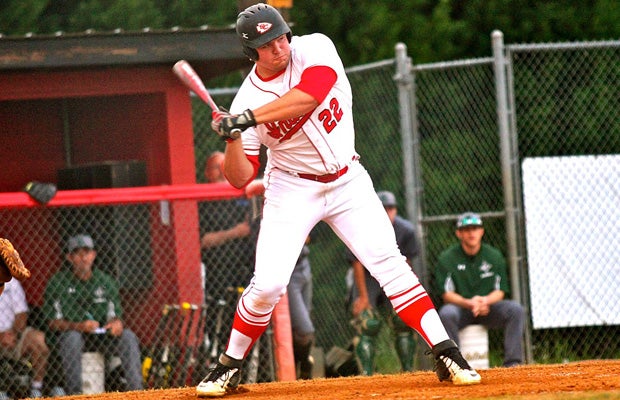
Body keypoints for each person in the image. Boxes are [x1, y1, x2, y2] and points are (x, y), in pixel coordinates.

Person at [196, 3, 481, 397]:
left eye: (280, 36)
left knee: (390, 263)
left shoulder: (315, 47)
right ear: (251, 52)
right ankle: (228, 366)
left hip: (347, 179)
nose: (278, 46)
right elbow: (239, 177)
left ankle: (447, 352)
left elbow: (309, 95)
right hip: (291, 188)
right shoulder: (249, 95)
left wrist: (246, 118)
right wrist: (231, 138)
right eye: (266, 43)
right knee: (267, 286)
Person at [41, 234, 144, 395]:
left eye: (87, 252)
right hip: (73, 338)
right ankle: (75, 394)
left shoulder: (105, 281)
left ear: (94, 255)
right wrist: (79, 326)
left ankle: (137, 392)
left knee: (128, 336)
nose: (83, 258)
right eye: (78, 253)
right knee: (72, 338)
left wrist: (116, 323)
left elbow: (114, 315)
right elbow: (53, 322)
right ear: (69, 257)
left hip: (102, 336)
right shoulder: (58, 282)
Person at [434, 212, 525, 367]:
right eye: (467, 229)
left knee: (516, 310)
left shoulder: (494, 256)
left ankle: (513, 363)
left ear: (482, 231)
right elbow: (446, 294)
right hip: (461, 308)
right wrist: (468, 303)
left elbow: (500, 291)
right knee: (446, 313)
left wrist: (485, 301)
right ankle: (455, 364)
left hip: (487, 308)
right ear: (459, 233)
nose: (471, 233)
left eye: (475, 228)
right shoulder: (447, 258)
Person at [346, 191, 420, 375]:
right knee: (368, 322)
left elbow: (407, 265)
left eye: (391, 208)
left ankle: (408, 371)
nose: (388, 212)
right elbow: (356, 263)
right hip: (367, 276)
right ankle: (367, 375)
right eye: (383, 208)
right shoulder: (360, 228)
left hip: (392, 273)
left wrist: (404, 295)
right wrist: (363, 297)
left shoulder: (406, 230)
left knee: (402, 319)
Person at [0, 279, 54, 398]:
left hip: (12, 334)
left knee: (39, 340)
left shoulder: (10, 282)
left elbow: (21, 314)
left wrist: (13, 333)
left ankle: (36, 388)